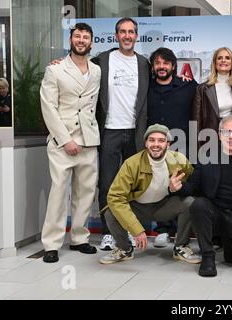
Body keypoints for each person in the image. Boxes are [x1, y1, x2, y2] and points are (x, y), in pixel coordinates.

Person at [172, 115, 232, 277]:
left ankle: (229, 242)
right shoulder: (207, 157)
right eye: (226, 132)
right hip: (215, 215)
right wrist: (177, 187)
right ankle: (208, 256)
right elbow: (194, 187)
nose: (230, 137)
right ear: (219, 135)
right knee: (199, 204)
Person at [40, 23, 100, 263]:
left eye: (86, 37)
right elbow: (48, 107)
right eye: (77, 36)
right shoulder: (54, 70)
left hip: (89, 139)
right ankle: (51, 244)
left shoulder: (96, 70)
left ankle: (79, 238)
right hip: (62, 141)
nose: (81, 40)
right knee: (58, 193)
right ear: (71, 40)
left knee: (85, 193)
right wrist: (65, 140)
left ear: (91, 42)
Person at [99, 124, 201, 265]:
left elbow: (194, 183)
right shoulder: (132, 164)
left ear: (168, 144)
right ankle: (124, 249)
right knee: (110, 211)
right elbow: (115, 197)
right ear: (145, 143)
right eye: (151, 140)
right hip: (138, 208)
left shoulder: (179, 160)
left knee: (190, 203)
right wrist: (137, 230)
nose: (156, 144)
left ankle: (181, 246)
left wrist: (178, 188)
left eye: (161, 140)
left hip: (163, 207)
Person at [91, 18, 150, 251]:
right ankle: (108, 233)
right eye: (123, 32)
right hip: (109, 132)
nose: (127, 36)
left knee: (132, 185)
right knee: (107, 184)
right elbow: (80, 66)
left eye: (131, 32)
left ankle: (128, 229)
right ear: (116, 36)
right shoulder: (102, 60)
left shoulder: (144, 64)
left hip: (135, 133)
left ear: (136, 36)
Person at [147, 47, 198, 248]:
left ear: (173, 66)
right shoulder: (147, 87)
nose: (161, 67)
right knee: (159, 188)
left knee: (180, 188)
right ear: (153, 66)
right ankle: (162, 230)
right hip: (156, 148)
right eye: (158, 63)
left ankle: (181, 232)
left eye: (165, 63)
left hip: (182, 146)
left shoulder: (188, 85)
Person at [193, 47, 232, 142]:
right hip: (209, 139)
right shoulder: (202, 89)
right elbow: (196, 122)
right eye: (219, 58)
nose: (223, 60)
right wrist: (196, 149)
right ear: (214, 63)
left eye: (227, 58)